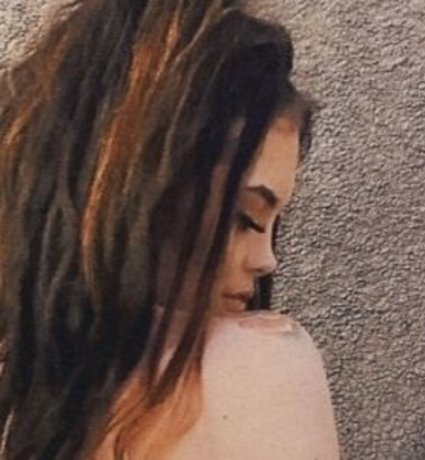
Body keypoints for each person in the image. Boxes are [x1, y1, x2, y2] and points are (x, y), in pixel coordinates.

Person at [0, 0, 339, 458]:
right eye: (245, 218)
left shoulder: (25, 401)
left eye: (272, 226)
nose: (267, 261)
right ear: (136, 190)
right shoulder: (261, 368)